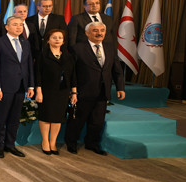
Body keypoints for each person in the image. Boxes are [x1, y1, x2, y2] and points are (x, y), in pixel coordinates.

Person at [65, 21, 126, 155]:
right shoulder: (77, 48)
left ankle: (92, 144)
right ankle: (71, 143)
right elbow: (71, 72)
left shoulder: (110, 47)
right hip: (83, 91)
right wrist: (72, 90)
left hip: (102, 91)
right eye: (95, 31)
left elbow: (116, 69)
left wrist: (120, 87)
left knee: (97, 121)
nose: (99, 33)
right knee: (77, 120)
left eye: (102, 31)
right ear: (87, 33)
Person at [0, 17, 35, 158]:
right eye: (15, 24)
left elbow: (29, 65)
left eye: (21, 25)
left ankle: (10, 144)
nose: (19, 27)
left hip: (21, 86)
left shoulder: (25, 42)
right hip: (4, 87)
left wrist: (30, 86)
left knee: (15, 118)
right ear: (7, 27)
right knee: (2, 118)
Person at [34, 28, 77, 155]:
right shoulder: (42, 56)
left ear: (63, 41)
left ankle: (53, 142)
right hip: (47, 91)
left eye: (60, 38)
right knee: (46, 116)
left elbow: (73, 75)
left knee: (58, 117)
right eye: (54, 37)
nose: (57, 40)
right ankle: (45, 141)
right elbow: (38, 75)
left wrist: (74, 92)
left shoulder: (68, 57)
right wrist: (39, 91)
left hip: (63, 91)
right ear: (48, 40)